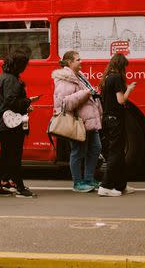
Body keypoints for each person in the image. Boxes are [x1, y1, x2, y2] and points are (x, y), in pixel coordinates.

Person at [52, 50, 103, 193]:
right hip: (78, 122)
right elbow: (64, 104)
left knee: (95, 148)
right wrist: (86, 93)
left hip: (88, 122)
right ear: (69, 62)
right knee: (78, 151)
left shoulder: (79, 76)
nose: (81, 62)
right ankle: (77, 182)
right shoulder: (65, 79)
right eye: (78, 59)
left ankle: (88, 179)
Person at [0, 49, 38, 198]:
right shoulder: (11, 79)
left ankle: (0, 184)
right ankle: (19, 187)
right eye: (25, 64)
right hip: (10, 124)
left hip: (4, 122)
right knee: (13, 156)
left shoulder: (5, 77)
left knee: (5, 155)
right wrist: (27, 101)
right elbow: (11, 101)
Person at [98, 53, 136, 197]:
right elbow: (121, 100)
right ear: (121, 66)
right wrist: (130, 89)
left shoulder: (107, 78)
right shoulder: (117, 78)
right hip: (116, 119)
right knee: (115, 152)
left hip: (107, 118)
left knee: (118, 152)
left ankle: (121, 185)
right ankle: (105, 186)